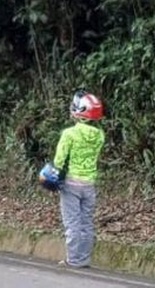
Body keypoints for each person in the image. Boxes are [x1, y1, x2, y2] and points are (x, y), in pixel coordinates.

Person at [54, 90, 106, 269]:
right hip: (89, 184)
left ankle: (73, 260)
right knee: (86, 222)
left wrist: (55, 177)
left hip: (71, 183)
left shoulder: (69, 134)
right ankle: (83, 259)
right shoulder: (100, 136)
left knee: (72, 223)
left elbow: (59, 160)